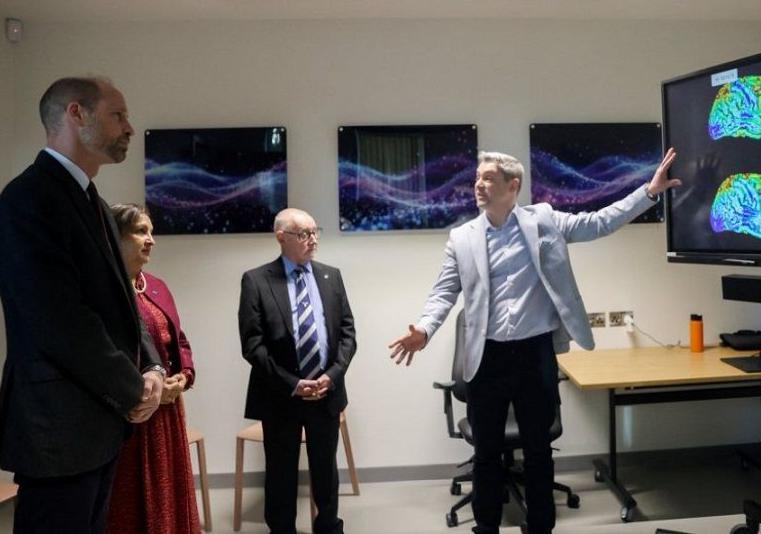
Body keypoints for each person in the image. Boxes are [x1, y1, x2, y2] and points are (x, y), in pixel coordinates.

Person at [389, 149, 681, 534]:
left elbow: (598, 223)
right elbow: (444, 293)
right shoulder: (461, 238)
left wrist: (648, 192)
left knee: (539, 452)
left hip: (534, 355)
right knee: (486, 455)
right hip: (486, 359)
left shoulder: (543, 220)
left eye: (488, 178)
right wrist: (424, 330)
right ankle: (487, 527)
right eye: (477, 178)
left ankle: (541, 526)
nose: (478, 184)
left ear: (514, 186)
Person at [0, 76, 164, 534]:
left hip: (95, 426)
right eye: (118, 115)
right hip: (57, 428)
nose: (129, 127)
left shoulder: (92, 200)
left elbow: (124, 299)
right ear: (76, 114)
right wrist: (134, 387)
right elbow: (60, 322)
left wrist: (150, 368)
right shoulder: (27, 199)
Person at [238, 208, 356, 534]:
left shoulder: (331, 276)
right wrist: (293, 383)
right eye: (303, 234)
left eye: (314, 232)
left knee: (325, 470)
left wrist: (331, 376)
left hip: (325, 391)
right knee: (280, 472)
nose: (312, 240)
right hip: (280, 394)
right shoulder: (257, 280)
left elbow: (347, 334)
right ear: (281, 237)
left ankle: (329, 526)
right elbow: (253, 345)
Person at [105, 203, 201, 534]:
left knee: (168, 495)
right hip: (130, 413)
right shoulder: (104, 290)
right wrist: (145, 391)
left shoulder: (157, 286)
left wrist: (182, 377)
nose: (151, 240)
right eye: (141, 231)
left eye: (152, 232)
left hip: (168, 413)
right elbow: (105, 355)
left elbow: (180, 340)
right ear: (115, 237)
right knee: (128, 502)